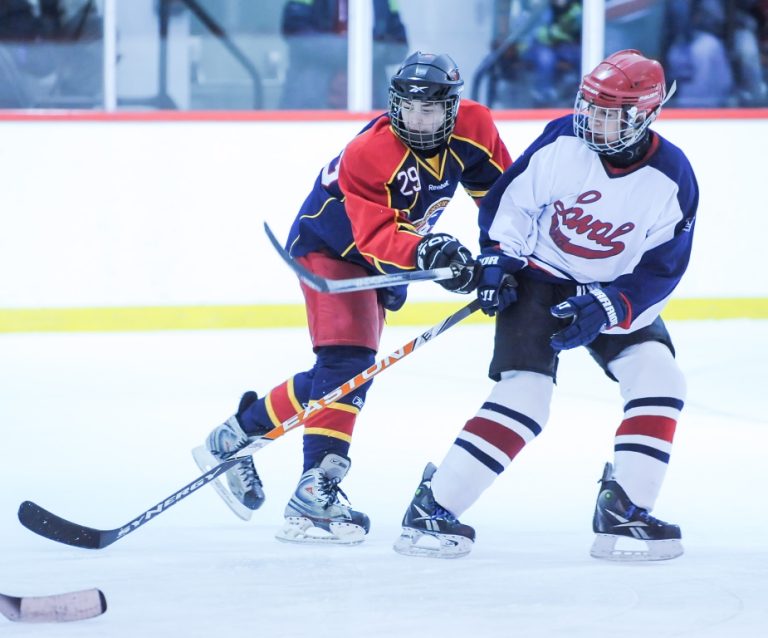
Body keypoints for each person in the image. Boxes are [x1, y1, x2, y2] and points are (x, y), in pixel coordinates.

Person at [193, 51, 512, 544]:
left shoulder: (476, 127)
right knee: (347, 365)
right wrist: (431, 251)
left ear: (453, 106)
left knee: (343, 374)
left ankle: (236, 435)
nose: (418, 119)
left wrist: (498, 257)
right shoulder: (370, 152)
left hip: (388, 257)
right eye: (408, 107)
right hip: (332, 249)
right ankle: (314, 490)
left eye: (430, 110)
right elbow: (374, 240)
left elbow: (501, 200)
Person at [394, 49, 699, 562]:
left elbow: (662, 268)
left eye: (611, 113)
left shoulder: (673, 178)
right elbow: (509, 204)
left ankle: (625, 510)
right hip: (538, 277)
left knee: (660, 381)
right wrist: (497, 261)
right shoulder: (563, 140)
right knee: (526, 397)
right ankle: (435, 506)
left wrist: (608, 307)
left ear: (646, 114)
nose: (595, 122)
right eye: (592, 107)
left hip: (611, 290)